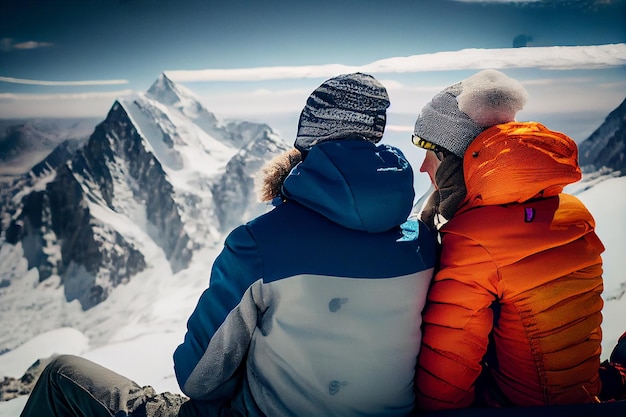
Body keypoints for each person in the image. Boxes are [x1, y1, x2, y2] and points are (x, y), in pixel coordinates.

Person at [20, 72, 437, 417]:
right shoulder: (424, 242)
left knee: (61, 375)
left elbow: (197, 377)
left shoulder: (259, 244)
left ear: (308, 141)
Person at [410, 69, 625, 412]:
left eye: (427, 149)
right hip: (582, 394)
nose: (422, 166)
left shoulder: (475, 241)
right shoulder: (572, 211)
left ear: (457, 161)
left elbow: (446, 380)